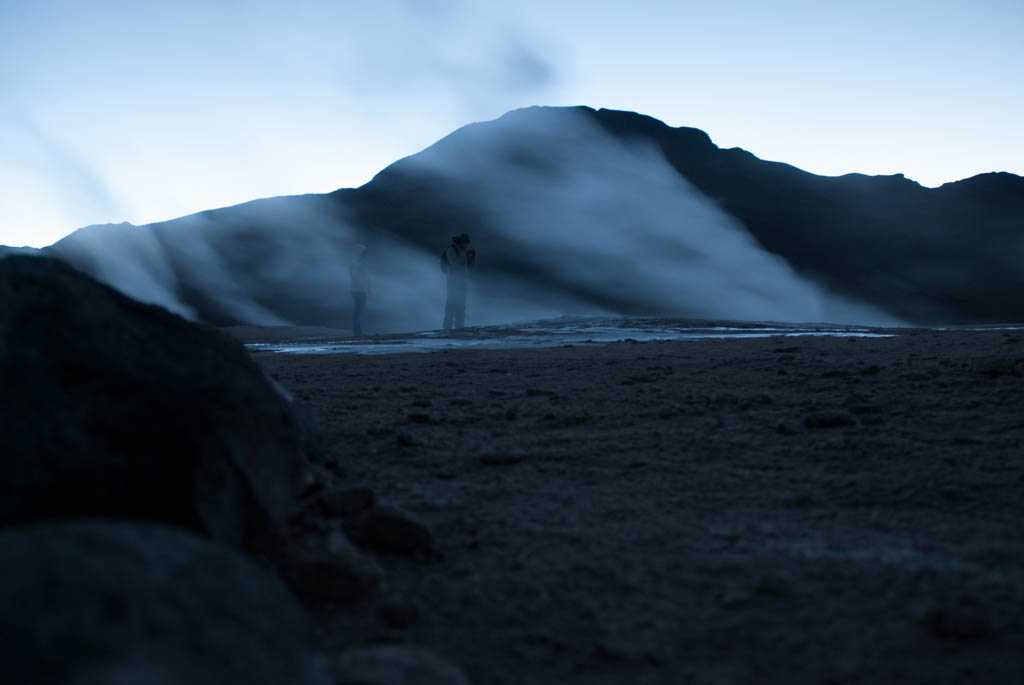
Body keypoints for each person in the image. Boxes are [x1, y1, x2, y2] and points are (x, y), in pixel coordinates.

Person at [442, 233, 475, 329]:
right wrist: (466, 255)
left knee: (461, 304)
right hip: (453, 280)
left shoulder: (462, 251)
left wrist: (472, 257)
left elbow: (470, 266)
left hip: (462, 281)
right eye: (466, 243)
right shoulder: (452, 249)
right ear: (461, 242)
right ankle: (447, 326)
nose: (467, 245)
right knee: (451, 303)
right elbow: (455, 264)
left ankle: (459, 326)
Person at [349, 244, 370, 336]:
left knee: (359, 311)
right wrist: (364, 287)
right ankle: (357, 332)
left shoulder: (357, 263)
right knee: (358, 311)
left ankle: (358, 331)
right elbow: (356, 277)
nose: (365, 255)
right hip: (358, 290)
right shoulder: (355, 263)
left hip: (359, 289)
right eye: (363, 253)